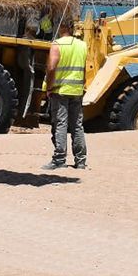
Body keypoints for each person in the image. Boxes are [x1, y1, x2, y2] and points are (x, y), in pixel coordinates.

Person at [42, 18, 88, 170]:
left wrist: (49, 87)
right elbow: (84, 69)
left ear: (62, 27)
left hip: (60, 90)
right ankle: (80, 161)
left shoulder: (57, 45)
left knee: (61, 123)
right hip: (77, 90)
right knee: (77, 125)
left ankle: (59, 159)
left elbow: (51, 67)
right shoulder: (82, 45)